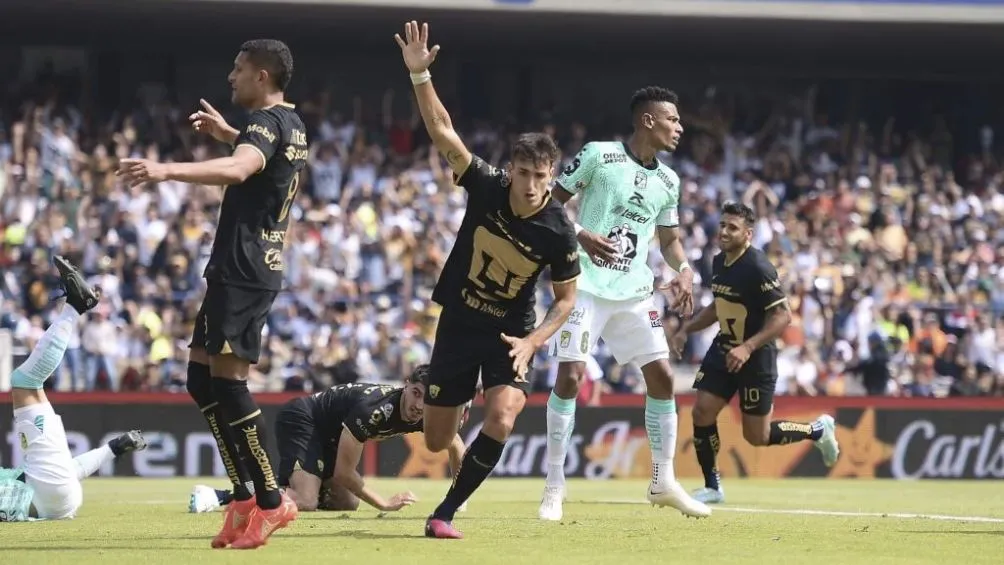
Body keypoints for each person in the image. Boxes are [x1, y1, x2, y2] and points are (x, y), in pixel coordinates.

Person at [117, 39, 308, 549]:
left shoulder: (265, 125)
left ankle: (270, 502)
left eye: (239, 69)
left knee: (228, 385)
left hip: (245, 272)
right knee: (200, 381)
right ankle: (244, 497)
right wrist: (230, 134)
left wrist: (165, 170)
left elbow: (242, 169)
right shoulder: (290, 124)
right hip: (237, 269)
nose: (231, 77)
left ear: (262, 76)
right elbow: (263, 168)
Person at [394, 21, 581, 539]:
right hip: (459, 322)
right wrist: (419, 75)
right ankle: (457, 403)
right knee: (435, 440)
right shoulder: (485, 186)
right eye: (523, 174)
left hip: (509, 332)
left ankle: (445, 513)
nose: (530, 185)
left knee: (504, 414)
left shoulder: (559, 232)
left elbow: (566, 299)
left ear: (552, 177)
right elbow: (442, 130)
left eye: (541, 178)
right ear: (511, 170)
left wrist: (532, 341)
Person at [539, 86, 710, 521]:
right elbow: (548, 202)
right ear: (648, 120)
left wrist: (685, 269)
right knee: (572, 377)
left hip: (634, 291)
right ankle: (554, 486)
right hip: (584, 285)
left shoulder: (669, 180)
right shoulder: (599, 155)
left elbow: (669, 239)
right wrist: (582, 234)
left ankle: (662, 481)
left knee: (663, 377)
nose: (679, 127)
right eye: (672, 119)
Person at [669, 202, 840, 504]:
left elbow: (783, 316)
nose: (723, 231)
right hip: (724, 349)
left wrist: (748, 347)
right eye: (722, 225)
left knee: (757, 436)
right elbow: (718, 306)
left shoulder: (758, 267)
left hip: (756, 357)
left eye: (731, 227)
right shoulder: (719, 262)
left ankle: (817, 430)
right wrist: (686, 330)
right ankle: (712, 486)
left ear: (748, 234)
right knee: (702, 411)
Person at [189, 366, 468, 514]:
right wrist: (383, 503)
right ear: (406, 385)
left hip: (333, 434)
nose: (418, 405)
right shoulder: (374, 411)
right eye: (415, 393)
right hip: (305, 419)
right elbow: (344, 473)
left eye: (426, 398)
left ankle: (282, 488)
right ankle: (220, 496)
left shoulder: (427, 414)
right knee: (307, 500)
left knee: (346, 503)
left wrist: (459, 494)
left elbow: (454, 443)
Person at [0, 256, 148, 522]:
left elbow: (65, 473)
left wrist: (113, 448)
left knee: (29, 385)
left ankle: (75, 307)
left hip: (60, 500)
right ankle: (75, 307)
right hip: (49, 493)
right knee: (25, 382)